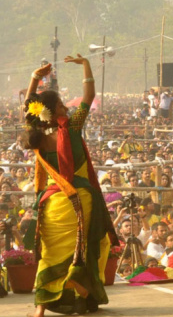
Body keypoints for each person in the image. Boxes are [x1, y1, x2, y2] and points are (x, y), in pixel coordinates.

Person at [24, 56, 117, 316]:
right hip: (80, 200)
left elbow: (28, 108)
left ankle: (41, 307)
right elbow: (89, 95)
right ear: (57, 110)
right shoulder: (72, 127)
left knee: (50, 253)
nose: (66, 106)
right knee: (82, 249)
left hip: (52, 202)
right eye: (62, 104)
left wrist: (34, 77)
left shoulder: (36, 135)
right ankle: (80, 291)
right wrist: (86, 64)